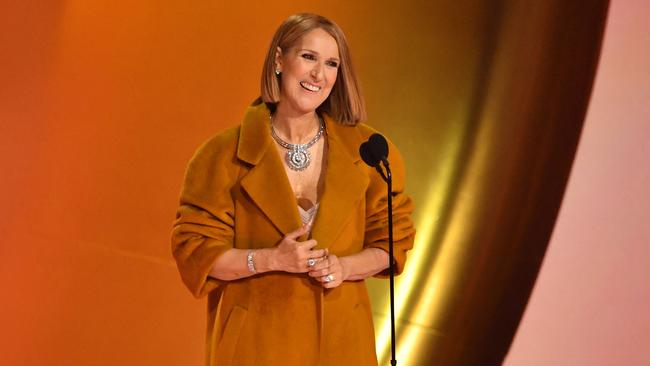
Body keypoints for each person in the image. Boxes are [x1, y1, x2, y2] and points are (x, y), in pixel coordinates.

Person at [171, 13, 415, 366]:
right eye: (308, 57)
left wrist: (344, 268)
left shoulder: (370, 152)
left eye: (332, 63)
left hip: (343, 347)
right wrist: (270, 259)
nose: (320, 75)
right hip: (256, 348)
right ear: (278, 61)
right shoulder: (222, 155)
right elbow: (196, 251)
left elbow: (393, 242)